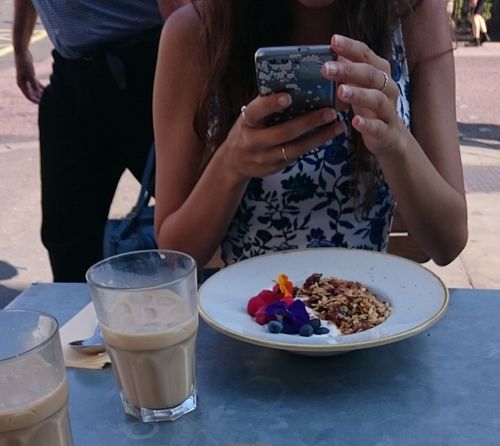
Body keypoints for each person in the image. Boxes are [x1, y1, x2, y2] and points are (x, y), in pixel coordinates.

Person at [153, 0, 467, 270]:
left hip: (367, 312)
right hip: (247, 315)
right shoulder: (197, 31)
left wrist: (395, 143)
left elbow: (448, 242)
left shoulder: (414, 15)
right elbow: (176, 255)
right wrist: (230, 166)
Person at [12, 1, 187, 282]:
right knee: (66, 233)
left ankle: (227, 298)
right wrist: (20, 47)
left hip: (143, 67)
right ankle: (81, 307)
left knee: (195, 215)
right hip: (72, 73)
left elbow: (179, 11)